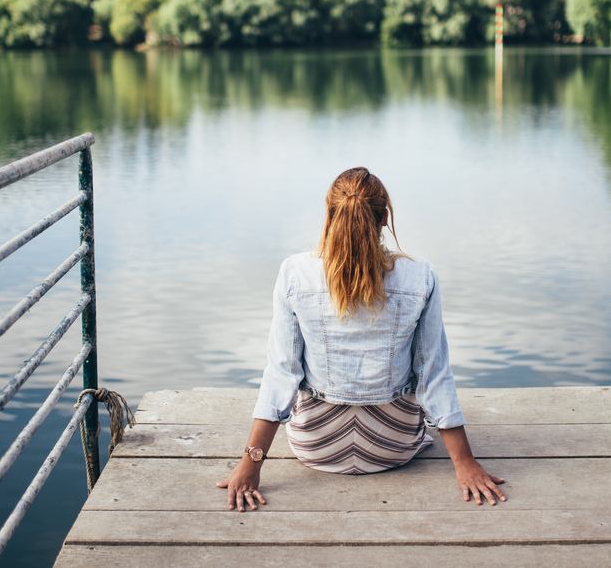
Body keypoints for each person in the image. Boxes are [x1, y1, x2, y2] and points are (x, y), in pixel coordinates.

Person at [216, 167, 507, 512]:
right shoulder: (420, 276)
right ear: (384, 217)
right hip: (392, 447)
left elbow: (282, 373)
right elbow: (433, 374)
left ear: (329, 214)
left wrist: (251, 463)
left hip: (318, 446)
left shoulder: (295, 273)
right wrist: (465, 464)